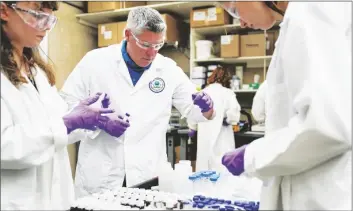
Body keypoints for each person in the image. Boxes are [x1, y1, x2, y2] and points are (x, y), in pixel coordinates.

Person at [61, 7, 215, 198]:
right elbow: (66, 108)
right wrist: (98, 122)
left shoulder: (167, 69)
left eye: (158, 46)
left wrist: (207, 108)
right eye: (145, 45)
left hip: (147, 173)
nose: (152, 53)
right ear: (127, 34)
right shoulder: (94, 62)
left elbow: (195, 110)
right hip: (101, 174)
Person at [219, 1, 351, 210]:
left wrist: (251, 157)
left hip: (322, 196)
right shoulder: (296, 20)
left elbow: (327, 125)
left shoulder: (309, 11)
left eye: (235, 10)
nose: (241, 23)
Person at [0, 2, 115, 209]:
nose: (45, 26)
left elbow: (57, 129)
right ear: (4, 10)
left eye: (50, 19)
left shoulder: (37, 72)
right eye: (37, 15)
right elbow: (4, 145)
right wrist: (67, 123)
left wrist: (86, 117)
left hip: (55, 200)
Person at [188, 67, 241, 172]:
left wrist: (193, 129)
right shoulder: (228, 93)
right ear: (227, 80)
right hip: (222, 136)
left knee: (204, 171)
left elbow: (192, 117)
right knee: (222, 170)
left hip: (204, 137)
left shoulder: (202, 93)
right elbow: (233, 116)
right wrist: (228, 120)